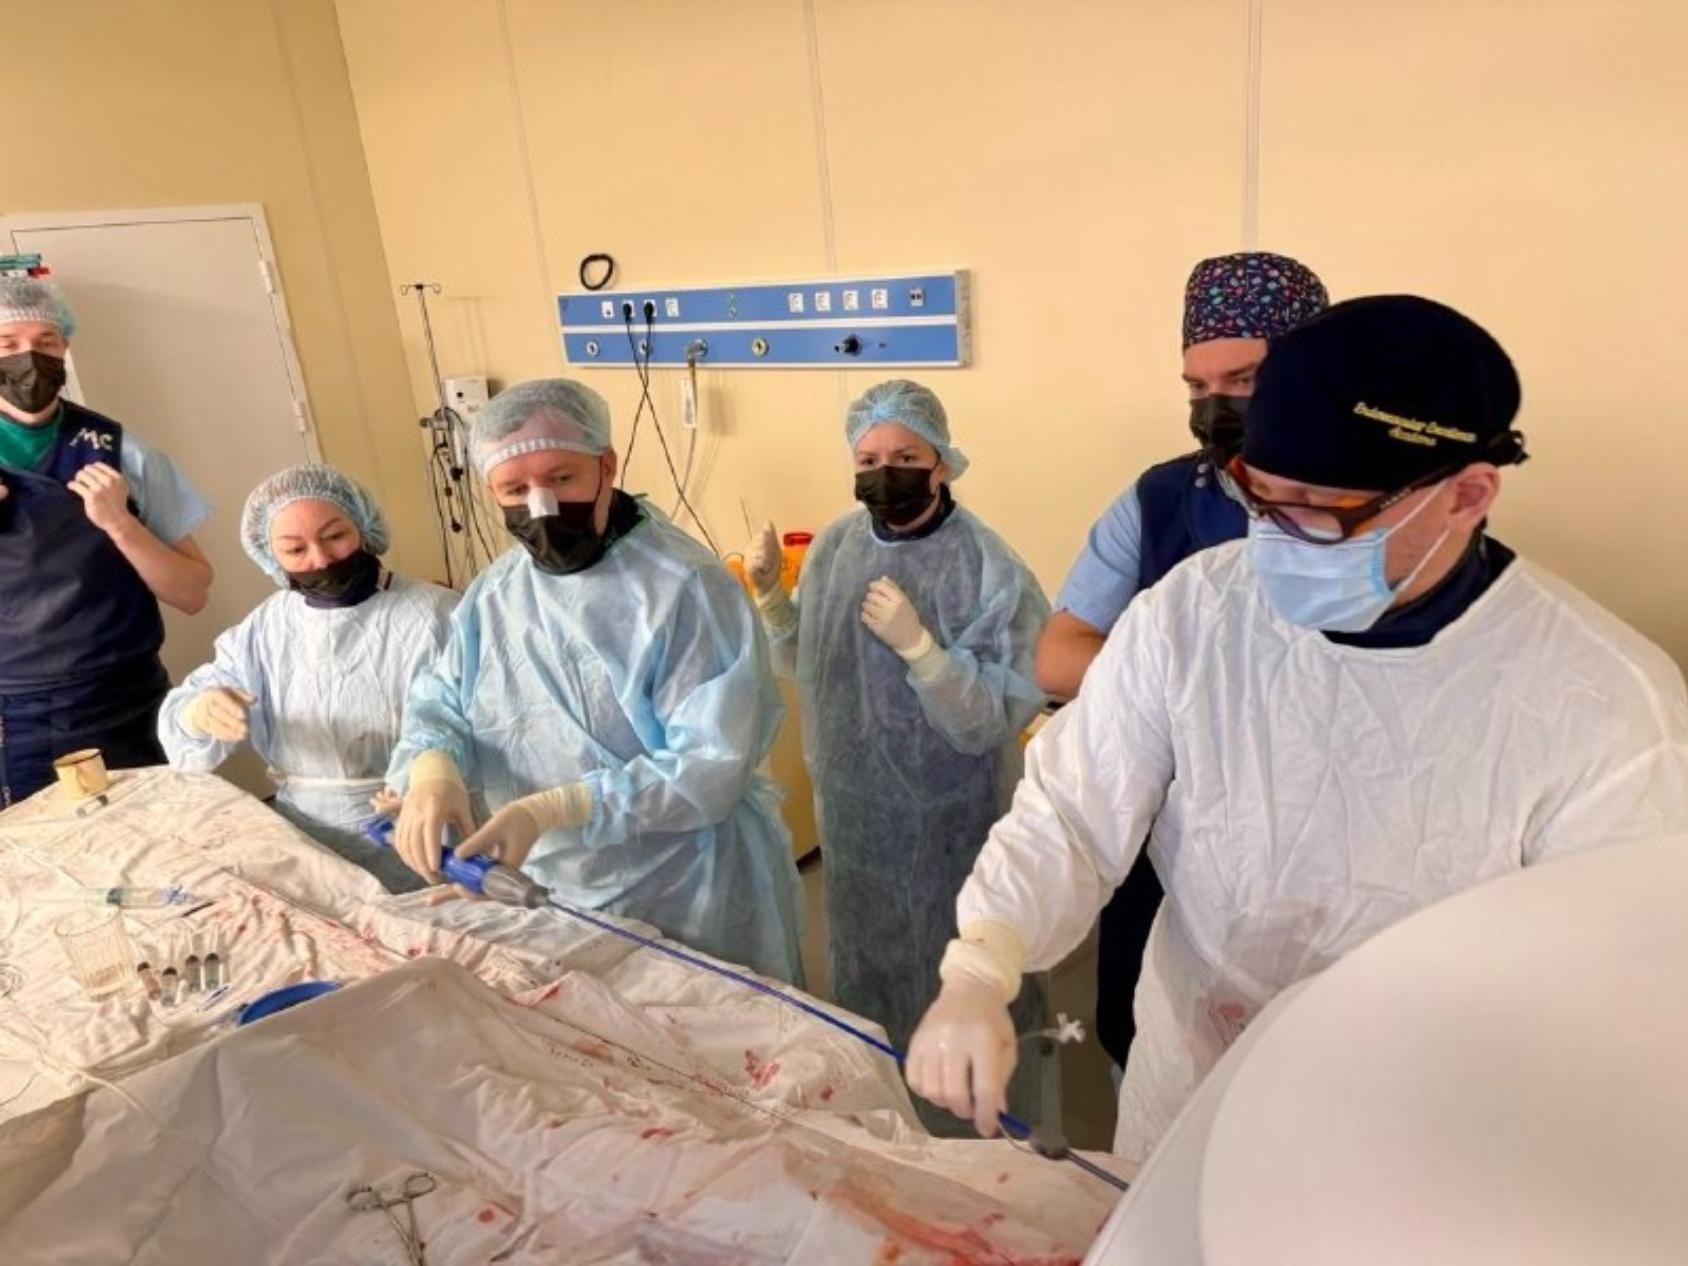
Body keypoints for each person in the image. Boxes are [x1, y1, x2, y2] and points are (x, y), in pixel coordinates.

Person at [904, 295, 1688, 1163]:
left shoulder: (1603, 707)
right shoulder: (1196, 611)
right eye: (1261, 496)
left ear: (1467, 495)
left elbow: (1610, 990)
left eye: (1320, 510)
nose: (1274, 539)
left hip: (1423, 1129)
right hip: (1192, 1072)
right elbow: (1073, 811)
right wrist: (984, 960)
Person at [385, 378, 804, 982]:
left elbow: (708, 765)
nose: (541, 507)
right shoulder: (497, 592)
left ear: (607, 465)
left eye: (562, 478)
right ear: (488, 490)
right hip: (546, 877)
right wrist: (432, 768)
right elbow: (442, 697)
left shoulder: (683, 587)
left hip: (681, 882)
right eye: (514, 489)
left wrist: (561, 806)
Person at [1039, 251, 1329, 1083]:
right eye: (1197, 387)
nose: (1214, 408)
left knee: (1306, 1071)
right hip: (1172, 840)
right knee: (1152, 1045)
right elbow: (1059, 656)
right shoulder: (1161, 501)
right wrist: (1201, 692)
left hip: (1314, 852)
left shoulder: (1375, 507)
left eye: (1242, 380)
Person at [743, 379, 1051, 1135]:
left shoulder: (987, 567)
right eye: (869, 458)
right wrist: (772, 600)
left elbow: (990, 721)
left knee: (958, 977)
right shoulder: (837, 547)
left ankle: (981, 1130)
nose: (887, 473)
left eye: (907, 457)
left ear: (942, 462)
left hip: (951, 824)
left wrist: (923, 651)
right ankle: (884, 1121)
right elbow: (810, 664)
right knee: (867, 976)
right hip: (854, 822)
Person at [158, 465, 456, 891]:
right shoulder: (267, 627)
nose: (321, 560)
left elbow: (487, 724)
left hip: (418, 828)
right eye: (295, 549)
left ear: (363, 526)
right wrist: (198, 711)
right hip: (304, 835)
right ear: (270, 555)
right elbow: (197, 702)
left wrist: (431, 780)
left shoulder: (436, 614)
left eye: (335, 536)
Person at [0, 277, 213, 807]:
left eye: (46, 342)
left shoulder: (124, 453)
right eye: (8, 343)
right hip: (13, 715)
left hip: (125, 697)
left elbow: (192, 592)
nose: (29, 358)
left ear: (65, 349)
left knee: (157, 839)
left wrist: (121, 524)